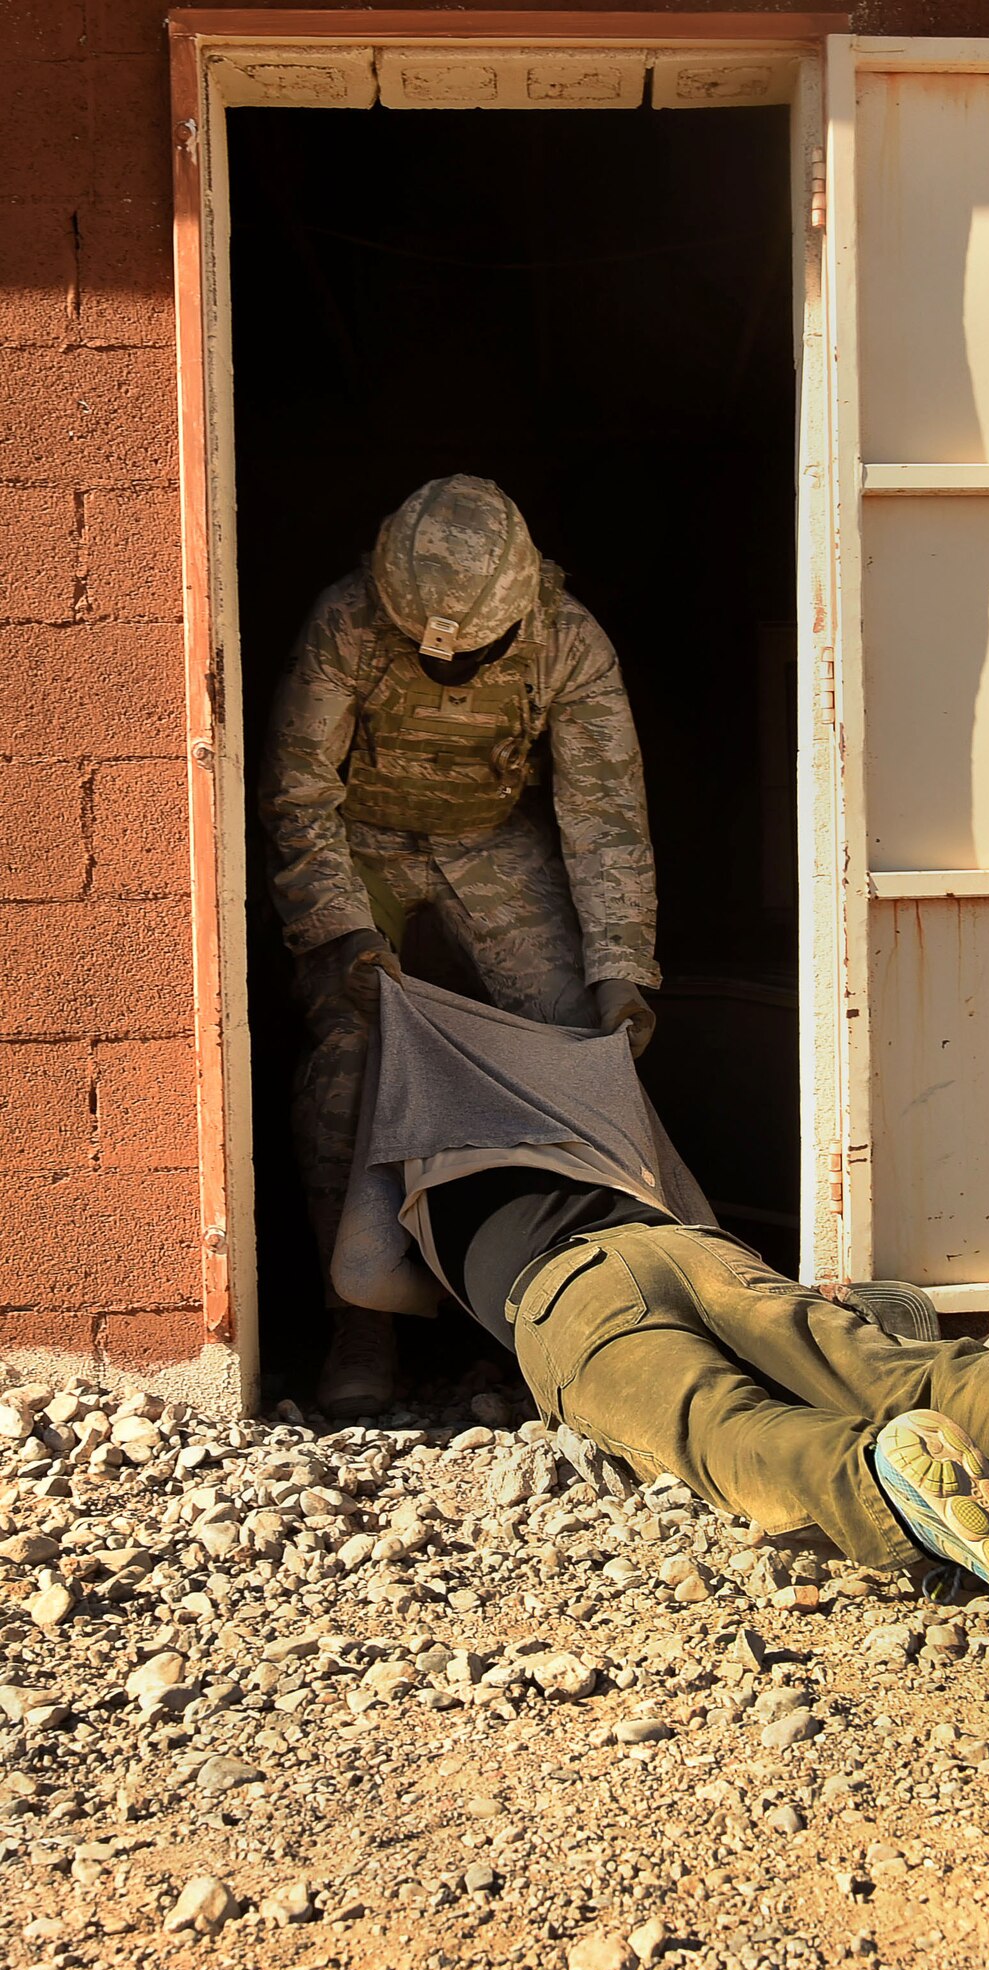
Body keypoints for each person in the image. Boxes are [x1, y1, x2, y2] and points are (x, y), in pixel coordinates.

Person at [330, 976, 989, 1632]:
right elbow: (684, 1193)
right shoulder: (586, 1108)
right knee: (903, 1367)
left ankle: (878, 1477)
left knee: (721, 1430)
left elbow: (363, 1277)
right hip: (690, 1245)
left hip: (566, 1294)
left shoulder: (423, 1130)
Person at [259, 475, 659, 1419]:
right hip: (363, 841)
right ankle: (363, 1317)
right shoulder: (346, 624)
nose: (441, 666)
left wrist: (620, 971)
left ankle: (571, 1312)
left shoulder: (569, 642)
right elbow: (299, 794)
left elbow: (605, 816)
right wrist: (344, 930)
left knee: (569, 1049)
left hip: (489, 837)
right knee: (350, 1061)